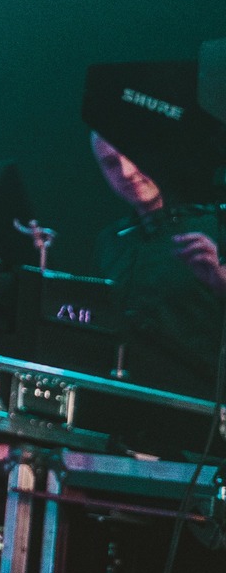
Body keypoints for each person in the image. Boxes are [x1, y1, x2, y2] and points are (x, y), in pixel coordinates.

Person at [90, 131, 226, 398]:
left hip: (197, 405)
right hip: (124, 401)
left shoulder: (217, 225)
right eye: (111, 164)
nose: (127, 172)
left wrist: (221, 283)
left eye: (133, 157)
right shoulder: (111, 241)